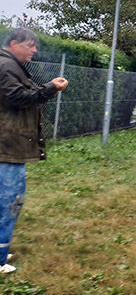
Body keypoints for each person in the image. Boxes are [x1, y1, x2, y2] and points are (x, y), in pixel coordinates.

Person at [0, 28, 68, 273]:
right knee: (10, 202)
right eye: (30, 45)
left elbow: (25, 96)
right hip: (7, 147)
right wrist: (50, 87)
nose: (34, 50)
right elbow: (17, 97)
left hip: (7, 145)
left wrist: (47, 89)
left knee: (7, 201)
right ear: (14, 43)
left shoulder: (12, 65)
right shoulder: (7, 66)